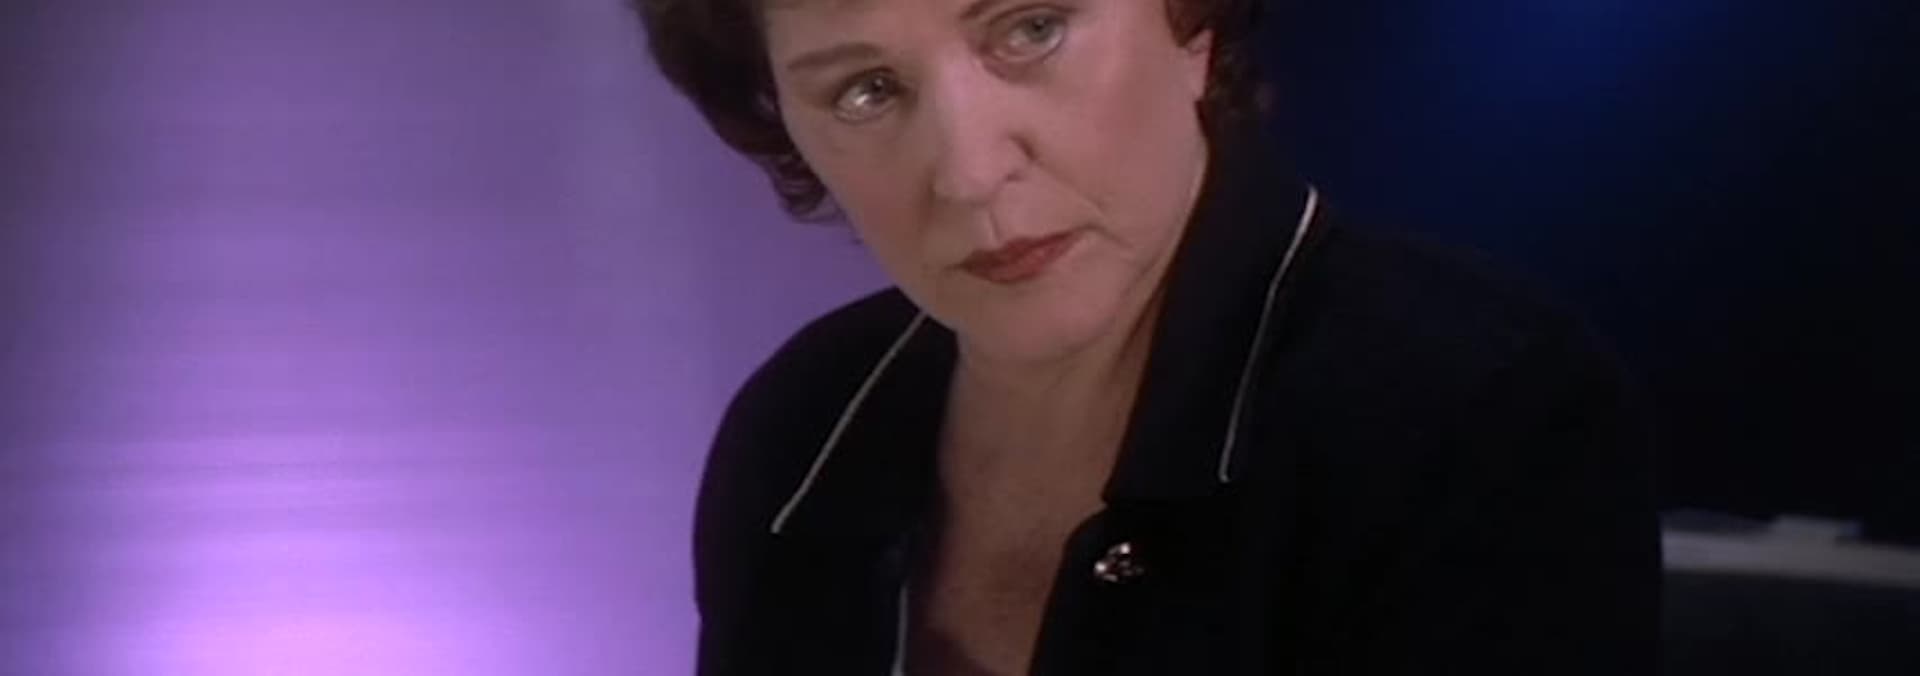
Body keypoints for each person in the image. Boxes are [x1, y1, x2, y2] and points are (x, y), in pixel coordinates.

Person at [634, 0, 1661, 673]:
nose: (970, 172)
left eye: (1031, 28)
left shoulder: (1479, 408)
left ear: (1191, 27)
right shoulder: (802, 426)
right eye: (866, 91)